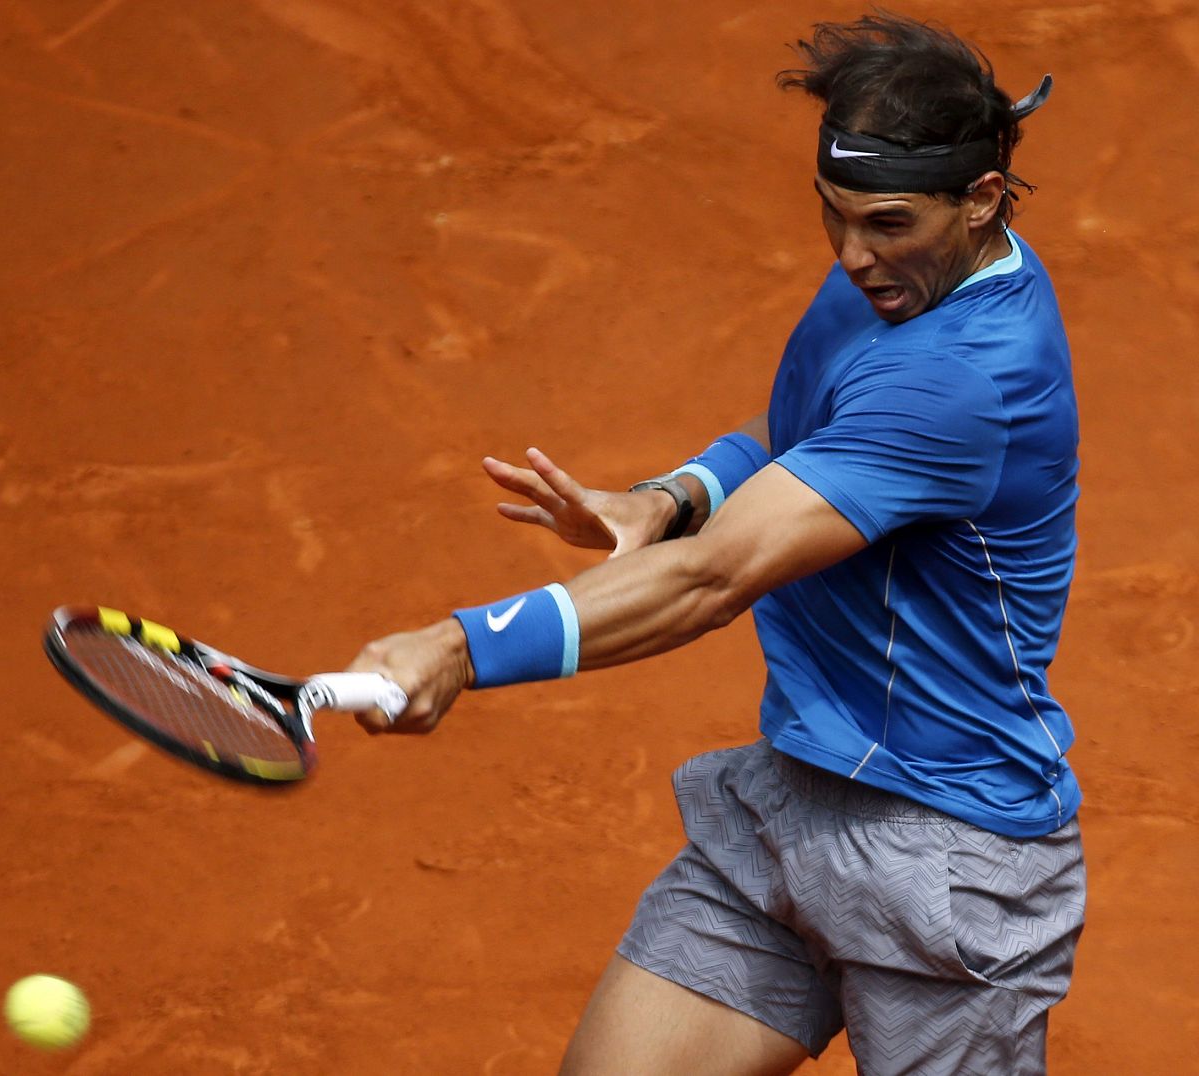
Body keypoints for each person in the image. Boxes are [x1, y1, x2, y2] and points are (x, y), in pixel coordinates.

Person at [343, 12, 1086, 1076]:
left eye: (884, 223)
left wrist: (460, 647)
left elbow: (713, 576)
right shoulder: (901, 279)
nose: (851, 256)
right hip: (791, 800)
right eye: (831, 217)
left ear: (979, 198)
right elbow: (799, 451)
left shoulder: (964, 375)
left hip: (947, 859)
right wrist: (670, 494)